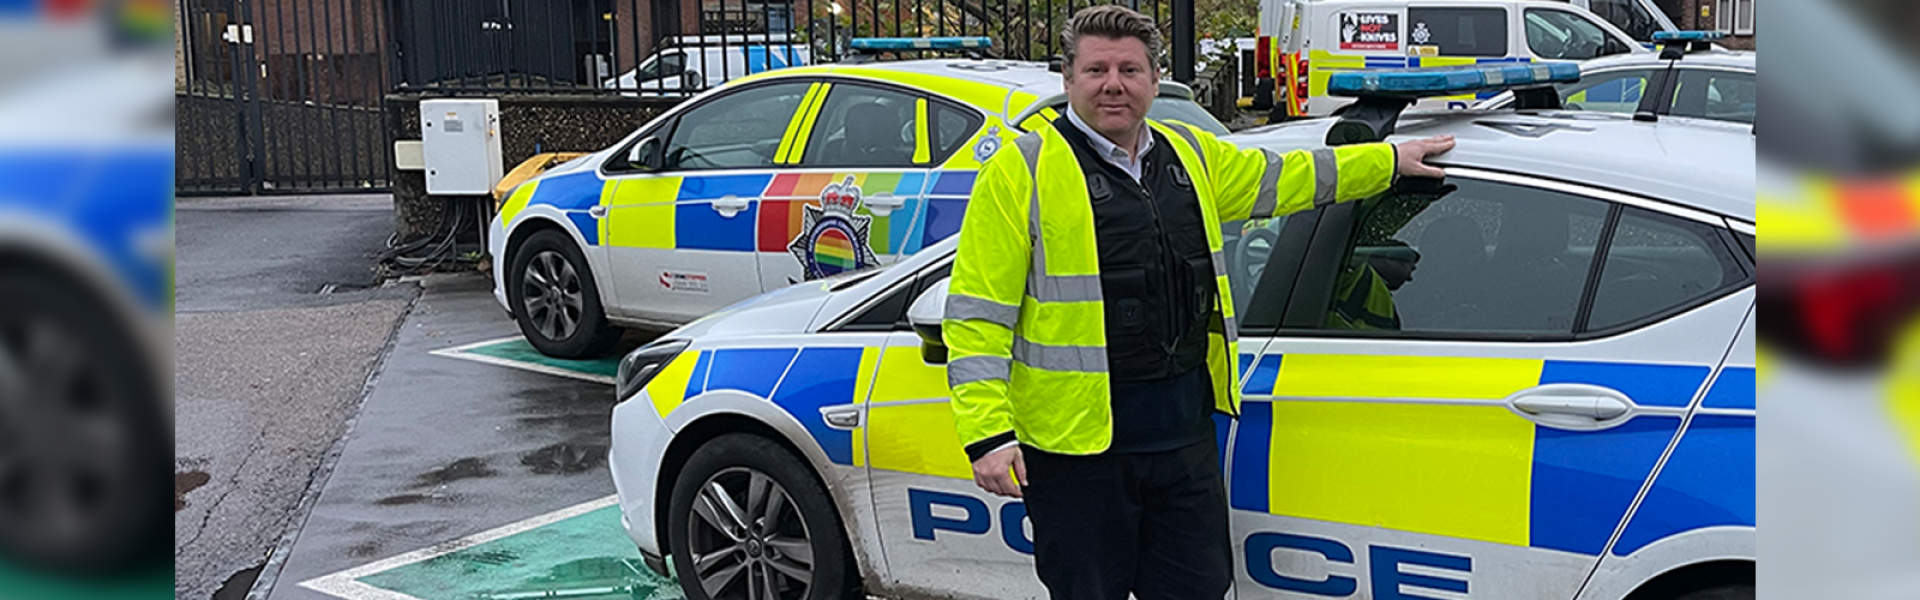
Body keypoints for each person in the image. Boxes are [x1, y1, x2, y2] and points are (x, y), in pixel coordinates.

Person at [940, 6, 1456, 599]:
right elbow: (978, 313)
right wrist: (986, 434)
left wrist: (1387, 161)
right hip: (1077, 452)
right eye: (1097, 69)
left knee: (1199, 589)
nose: (1114, 84)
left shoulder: (1189, 153)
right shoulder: (1020, 171)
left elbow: (1285, 178)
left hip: (1183, 437)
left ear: (1155, 80)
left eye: (1130, 70)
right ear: (1068, 79)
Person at [1327, 239, 1420, 330]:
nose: (1409, 278)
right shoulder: (1354, 271)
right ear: (1389, 258)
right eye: (1410, 270)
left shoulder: (1382, 294)